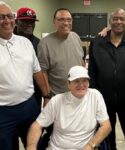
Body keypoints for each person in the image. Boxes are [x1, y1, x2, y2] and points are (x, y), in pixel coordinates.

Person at [88, 8, 125, 150]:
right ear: (110, 21)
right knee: (107, 136)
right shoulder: (97, 43)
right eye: (115, 18)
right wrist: (95, 98)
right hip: (104, 100)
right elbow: (92, 72)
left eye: (122, 19)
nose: (118, 21)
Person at [0, 1, 49, 150]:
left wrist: (47, 96)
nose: (7, 20)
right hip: (3, 111)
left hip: (29, 106)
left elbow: (37, 72)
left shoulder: (26, 43)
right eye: (1, 17)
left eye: (9, 16)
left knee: (35, 143)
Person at [26, 65, 112, 150]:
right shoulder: (57, 101)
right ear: (68, 84)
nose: (81, 84)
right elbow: (37, 125)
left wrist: (90, 145)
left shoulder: (95, 96)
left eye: (84, 80)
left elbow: (106, 126)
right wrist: (31, 146)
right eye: (76, 81)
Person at [37, 8, 84, 149]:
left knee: (76, 133)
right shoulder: (45, 43)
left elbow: (81, 62)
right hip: (58, 98)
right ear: (54, 22)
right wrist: (47, 96)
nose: (66, 23)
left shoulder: (76, 37)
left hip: (78, 96)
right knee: (57, 135)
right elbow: (42, 71)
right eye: (61, 19)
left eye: (69, 20)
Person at [14, 7, 42, 109]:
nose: (29, 24)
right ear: (16, 22)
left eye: (32, 21)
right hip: (11, 97)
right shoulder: (7, 39)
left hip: (34, 95)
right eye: (25, 21)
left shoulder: (38, 43)